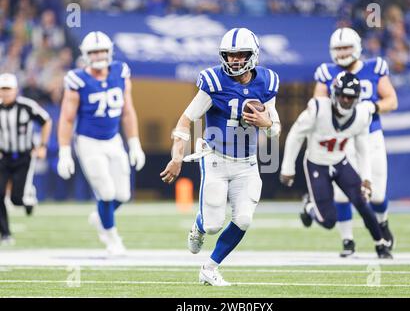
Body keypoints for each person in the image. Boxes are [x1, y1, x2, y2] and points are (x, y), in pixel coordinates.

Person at [160, 27, 281, 286]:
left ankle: (210, 267)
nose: (235, 60)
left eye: (241, 54)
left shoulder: (267, 81)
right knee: (214, 225)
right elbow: (185, 120)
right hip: (215, 157)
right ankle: (200, 225)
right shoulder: (213, 82)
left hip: (247, 162)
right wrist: (177, 156)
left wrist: (266, 123)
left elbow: (275, 131)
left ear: (253, 54)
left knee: (244, 219)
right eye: (230, 55)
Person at [280, 72, 392, 259]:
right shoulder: (318, 108)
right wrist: (287, 168)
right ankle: (309, 207)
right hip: (317, 164)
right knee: (329, 220)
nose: (346, 100)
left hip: (340, 161)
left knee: (362, 201)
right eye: (342, 95)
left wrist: (366, 178)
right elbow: (295, 135)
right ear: (334, 93)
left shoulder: (362, 115)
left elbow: (362, 148)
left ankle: (380, 244)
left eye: (351, 97)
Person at [57, 31, 146, 256]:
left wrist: (135, 143)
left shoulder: (120, 71)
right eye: (93, 52)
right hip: (88, 141)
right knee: (105, 192)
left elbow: (127, 112)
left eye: (102, 51)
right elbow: (67, 118)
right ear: (85, 55)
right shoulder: (77, 79)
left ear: (110, 52)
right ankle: (112, 238)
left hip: (113, 139)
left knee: (123, 195)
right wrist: (64, 152)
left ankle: (100, 216)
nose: (98, 56)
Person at [312, 27, 398, 257]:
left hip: (370, 137)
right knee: (342, 195)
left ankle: (383, 223)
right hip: (342, 140)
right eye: (338, 49)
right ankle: (347, 240)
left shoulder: (374, 67)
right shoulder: (326, 72)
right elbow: (317, 105)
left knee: (377, 196)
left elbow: (392, 100)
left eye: (346, 48)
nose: (342, 53)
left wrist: (374, 106)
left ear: (357, 47)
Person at [0, 73, 52, 245]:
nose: (5, 93)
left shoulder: (26, 106)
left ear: (15, 90)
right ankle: (6, 233)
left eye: (8, 89)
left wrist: (42, 145)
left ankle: (28, 200)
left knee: (16, 199)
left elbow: (46, 121)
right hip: (4, 156)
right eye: (3, 89)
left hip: (23, 156)